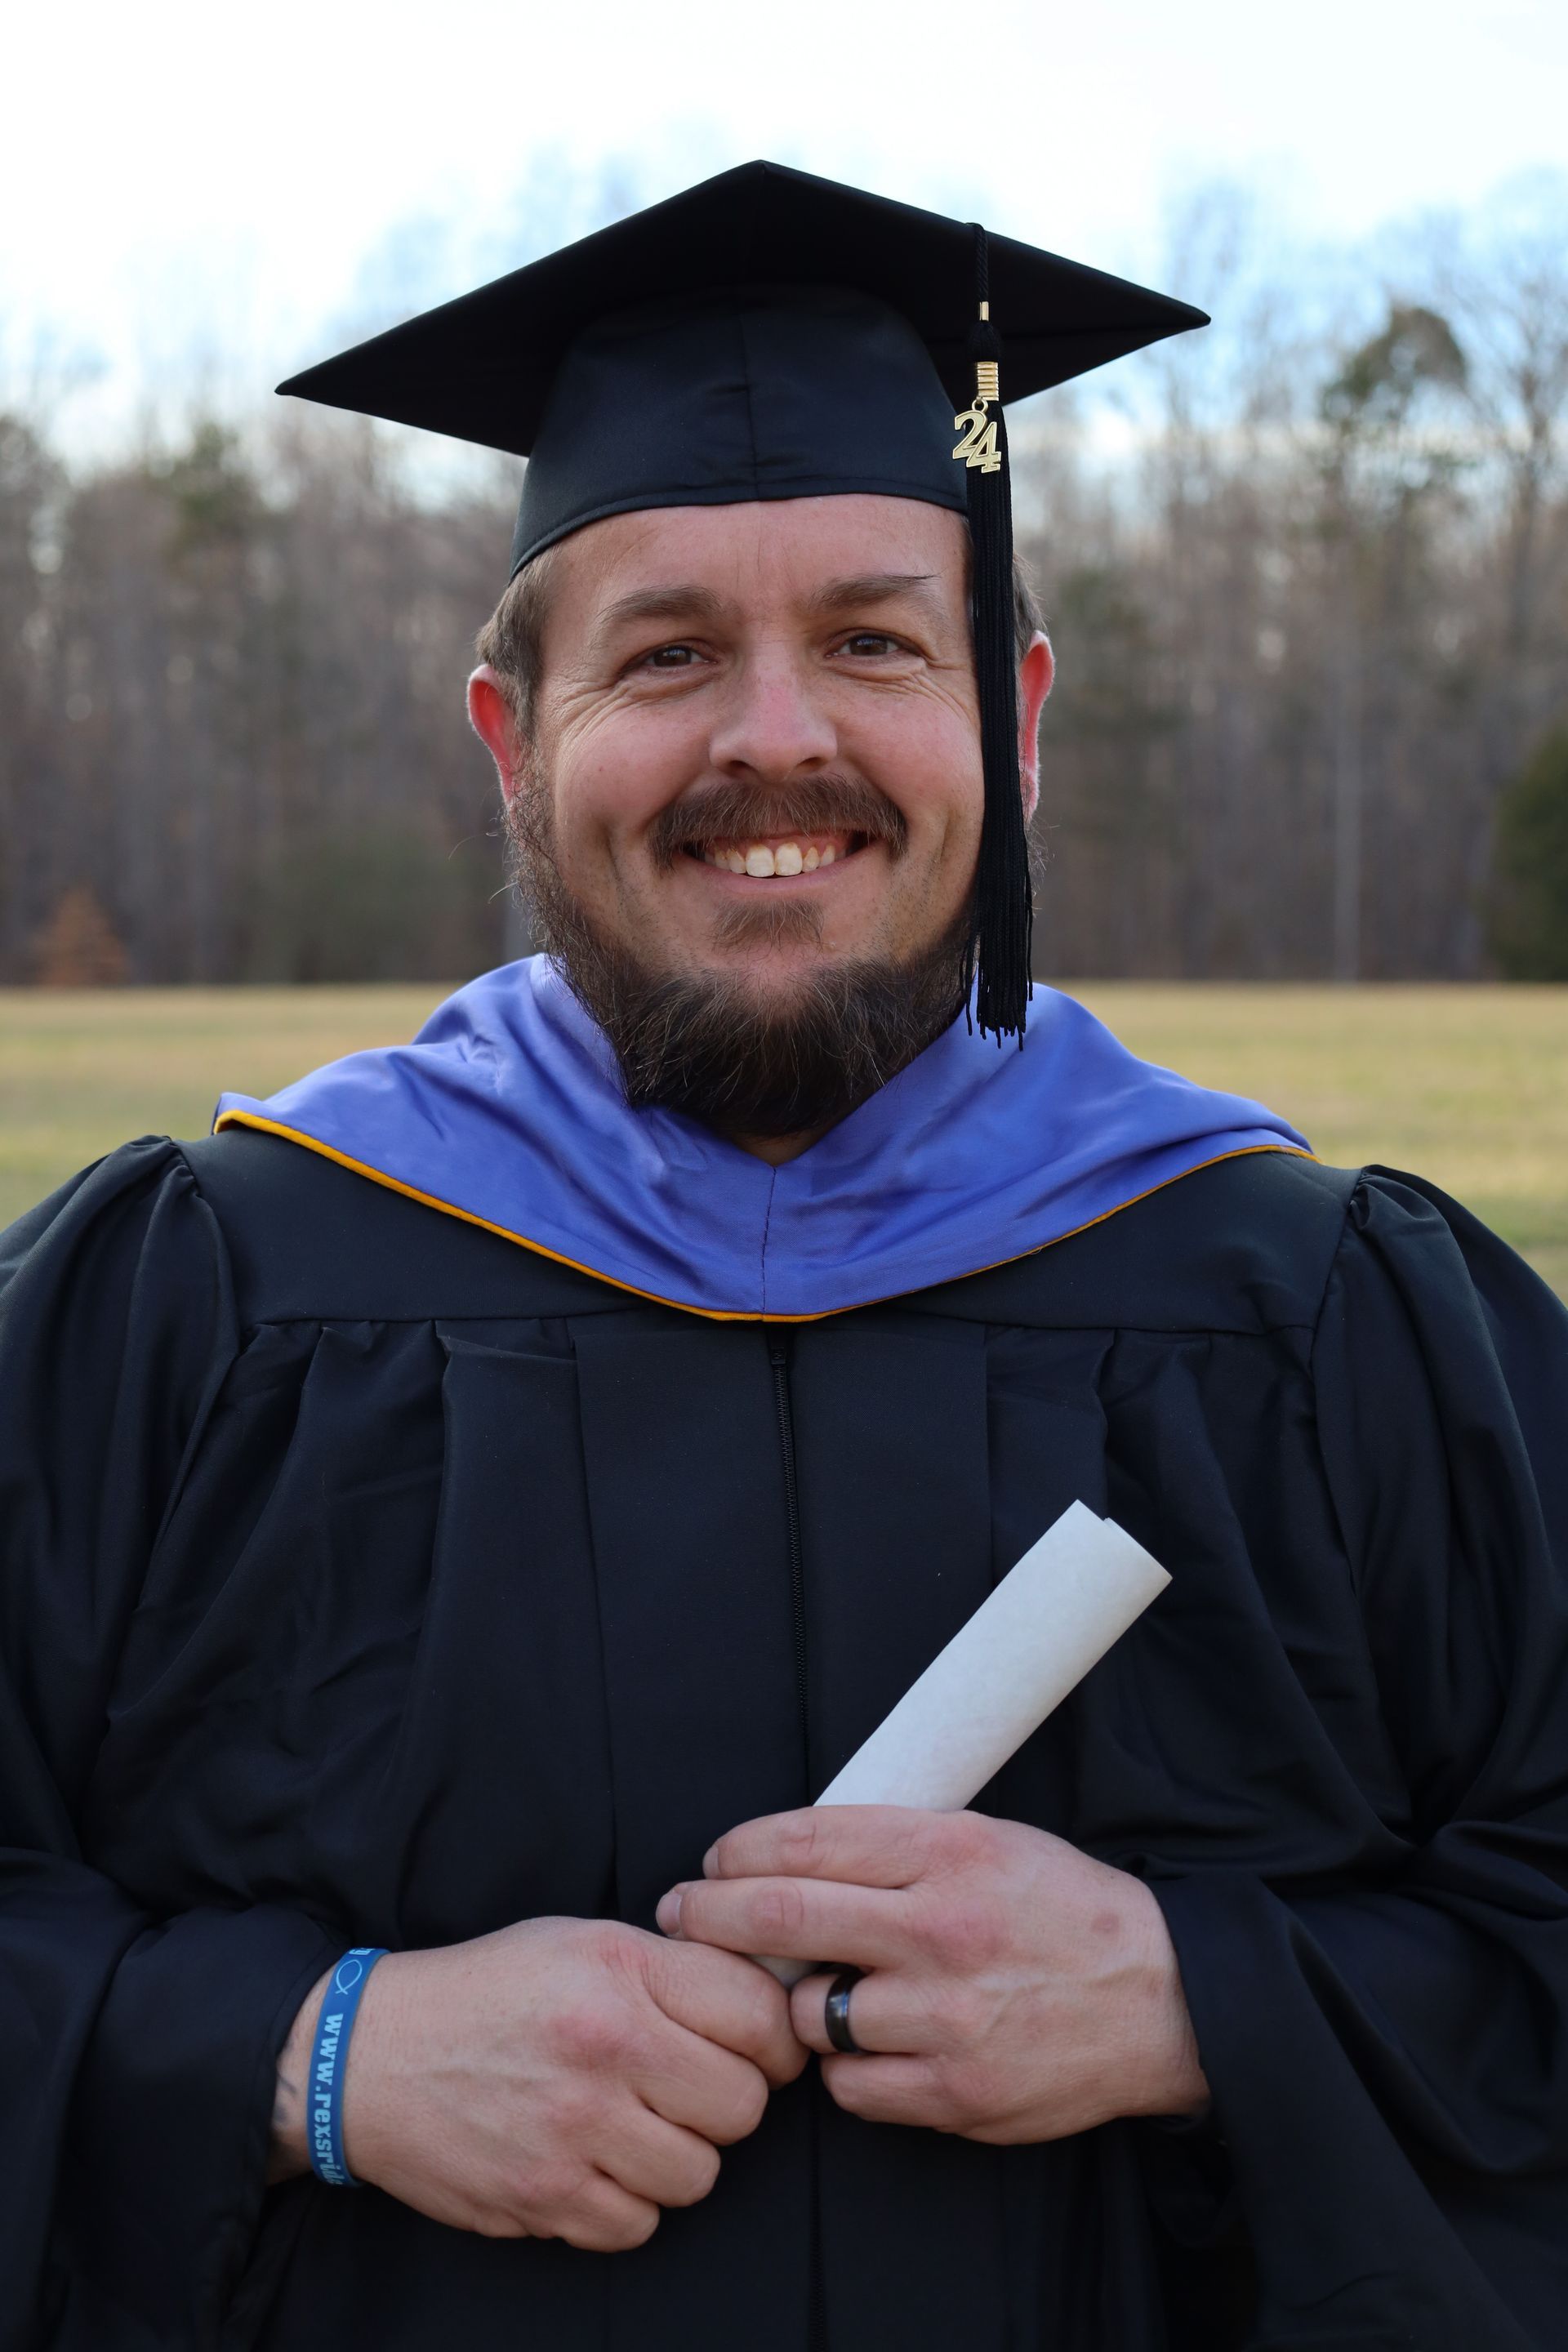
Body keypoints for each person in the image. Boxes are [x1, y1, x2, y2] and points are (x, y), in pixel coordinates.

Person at [2, 162, 1566, 2352]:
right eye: (665, 657)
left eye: (869, 641)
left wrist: (1214, 2007)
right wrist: (301, 2058)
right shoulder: (182, 1316)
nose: (775, 737)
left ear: (1009, 724)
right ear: (512, 750)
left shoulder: (1329, 1325)